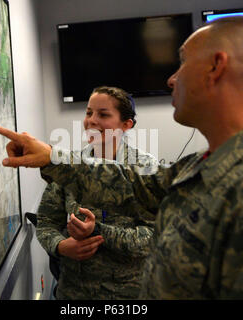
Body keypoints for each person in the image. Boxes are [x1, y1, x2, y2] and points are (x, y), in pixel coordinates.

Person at [0, 16, 243, 299]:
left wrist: (98, 232)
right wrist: (50, 157)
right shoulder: (204, 164)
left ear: (215, 67)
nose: (171, 79)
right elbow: (131, 185)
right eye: (88, 113)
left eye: (183, 63)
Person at [35, 86, 158, 299]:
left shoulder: (146, 168)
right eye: (88, 112)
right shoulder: (68, 166)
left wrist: (98, 232)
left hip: (129, 294)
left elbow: (154, 237)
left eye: (103, 114)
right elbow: (46, 222)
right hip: (74, 292)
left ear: (126, 125)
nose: (91, 120)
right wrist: (62, 246)